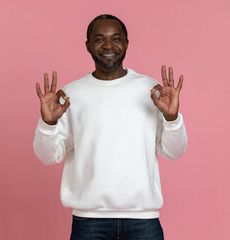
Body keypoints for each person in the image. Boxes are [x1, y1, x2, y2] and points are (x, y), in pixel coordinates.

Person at [33, 14, 187, 240]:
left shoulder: (152, 91)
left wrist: (172, 117)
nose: (108, 45)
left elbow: (174, 152)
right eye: (99, 39)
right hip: (89, 222)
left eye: (116, 38)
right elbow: (48, 156)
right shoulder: (70, 95)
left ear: (126, 43)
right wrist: (48, 123)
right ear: (87, 45)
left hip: (143, 221)